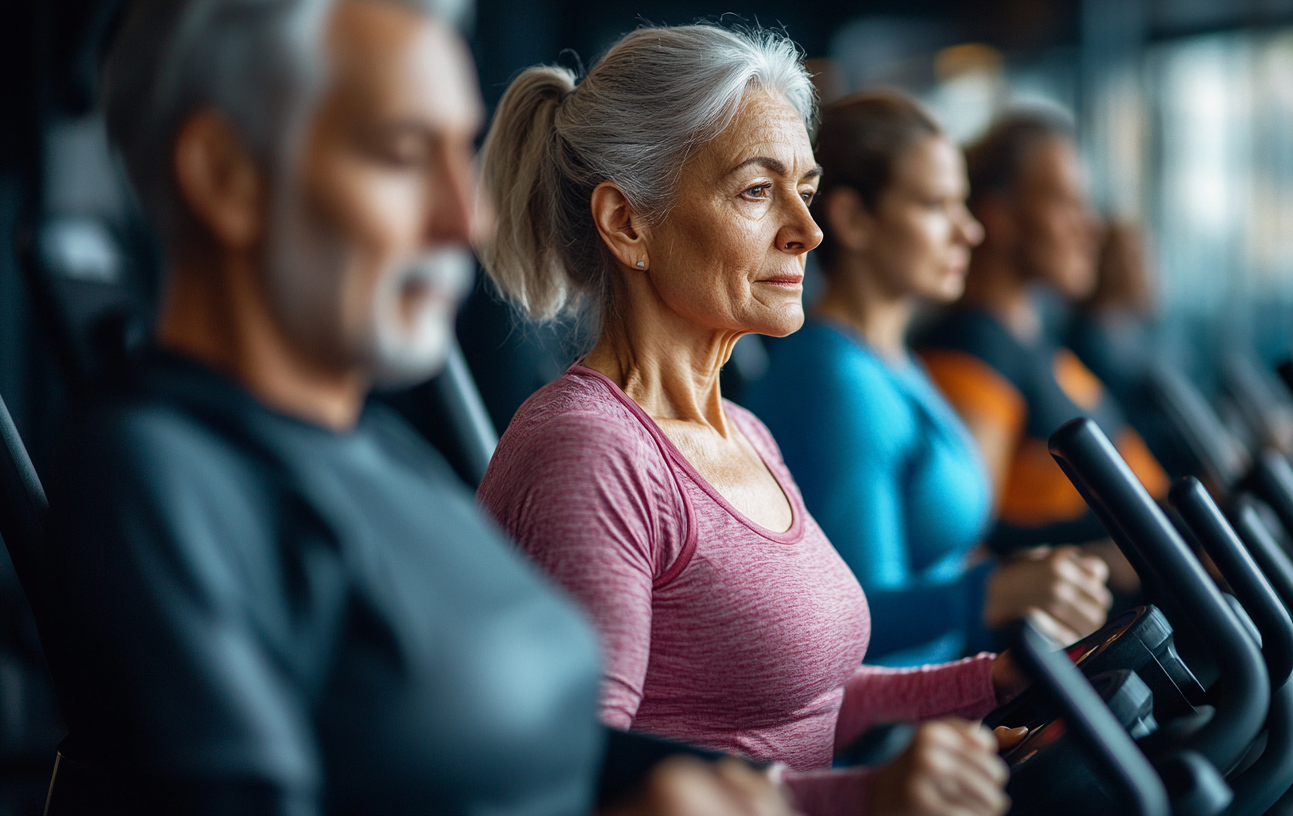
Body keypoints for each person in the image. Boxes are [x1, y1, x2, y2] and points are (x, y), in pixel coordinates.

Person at [41, 1, 794, 814]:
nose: (464, 217)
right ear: (227, 175)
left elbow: (549, 739)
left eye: (459, 157)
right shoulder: (158, 483)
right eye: (403, 155)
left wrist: (749, 788)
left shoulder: (381, 449)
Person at [478, 25, 1023, 816]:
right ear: (628, 223)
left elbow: (807, 705)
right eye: (758, 191)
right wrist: (867, 797)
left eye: (806, 186)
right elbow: (584, 777)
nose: (809, 229)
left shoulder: (745, 433)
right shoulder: (591, 453)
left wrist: (992, 681)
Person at [744, 92, 1112, 660]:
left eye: (962, 205)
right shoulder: (836, 383)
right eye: (936, 206)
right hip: (891, 733)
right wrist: (991, 593)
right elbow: (847, 621)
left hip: (950, 697)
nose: (969, 232)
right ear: (853, 219)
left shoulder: (893, 362)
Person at [916, 111, 1166, 578]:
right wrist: (1121, 562)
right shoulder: (975, 350)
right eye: (1066, 203)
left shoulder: (1032, 340)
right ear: (1000, 216)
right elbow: (965, 547)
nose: (1090, 227)